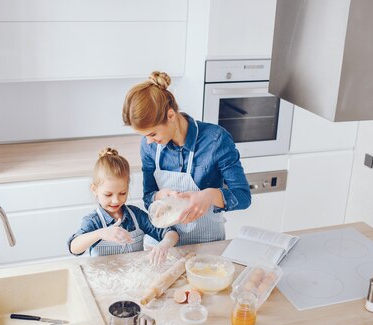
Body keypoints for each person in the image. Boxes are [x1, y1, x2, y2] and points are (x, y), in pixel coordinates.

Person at [122, 71, 251, 246]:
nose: (149, 141)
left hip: (206, 244)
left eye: (152, 133)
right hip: (163, 244)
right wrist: (159, 195)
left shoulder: (216, 140)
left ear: (170, 116)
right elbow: (147, 198)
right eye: (145, 136)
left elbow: (243, 196)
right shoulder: (149, 146)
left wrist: (210, 195)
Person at [67, 148, 179, 266]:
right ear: (94, 189)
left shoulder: (136, 216)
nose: (115, 200)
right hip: (104, 281)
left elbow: (171, 233)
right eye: (108, 194)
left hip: (135, 278)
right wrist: (100, 233)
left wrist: (164, 245)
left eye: (122, 193)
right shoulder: (93, 221)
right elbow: (73, 247)